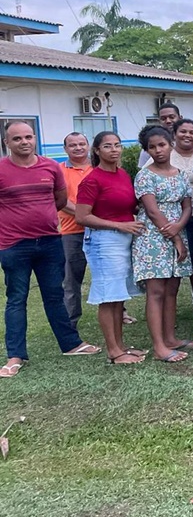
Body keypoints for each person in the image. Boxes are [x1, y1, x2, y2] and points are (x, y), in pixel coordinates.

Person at [0, 122, 101, 378]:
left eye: (28, 137)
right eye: (17, 138)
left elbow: (59, 200)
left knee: (55, 295)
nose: (24, 142)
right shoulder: (1, 170)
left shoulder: (49, 167)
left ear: (35, 139)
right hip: (14, 245)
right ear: (7, 143)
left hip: (49, 241)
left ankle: (71, 344)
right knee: (16, 299)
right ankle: (15, 356)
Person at [75, 131, 144, 365]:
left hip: (124, 239)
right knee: (108, 295)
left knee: (118, 296)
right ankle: (114, 352)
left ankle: (121, 346)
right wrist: (118, 225)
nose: (114, 150)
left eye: (117, 145)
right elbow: (82, 216)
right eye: (107, 146)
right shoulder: (92, 179)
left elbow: (130, 205)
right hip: (104, 241)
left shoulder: (123, 174)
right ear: (97, 151)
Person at [133, 125, 193, 363]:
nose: (158, 150)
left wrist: (179, 226)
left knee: (172, 290)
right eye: (152, 147)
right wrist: (176, 236)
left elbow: (187, 205)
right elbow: (151, 210)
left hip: (176, 229)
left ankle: (171, 338)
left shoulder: (180, 173)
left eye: (162, 145)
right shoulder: (145, 175)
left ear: (171, 144)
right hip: (154, 238)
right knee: (156, 291)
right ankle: (159, 346)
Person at [159, 118, 193, 321]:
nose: (187, 135)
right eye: (183, 132)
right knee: (173, 269)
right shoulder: (166, 155)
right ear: (174, 134)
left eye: (192, 132)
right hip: (172, 220)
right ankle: (167, 311)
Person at [58, 132, 92, 328]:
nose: (78, 148)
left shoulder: (97, 169)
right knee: (71, 280)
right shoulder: (59, 170)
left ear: (88, 146)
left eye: (81, 144)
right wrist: (86, 217)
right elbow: (61, 201)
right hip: (71, 232)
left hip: (100, 231)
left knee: (108, 275)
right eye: (73, 145)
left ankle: (120, 313)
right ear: (65, 149)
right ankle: (70, 321)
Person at [137, 102, 193, 166]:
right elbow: (143, 171)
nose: (168, 121)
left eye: (172, 117)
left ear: (180, 118)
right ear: (159, 121)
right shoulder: (152, 146)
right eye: (163, 118)